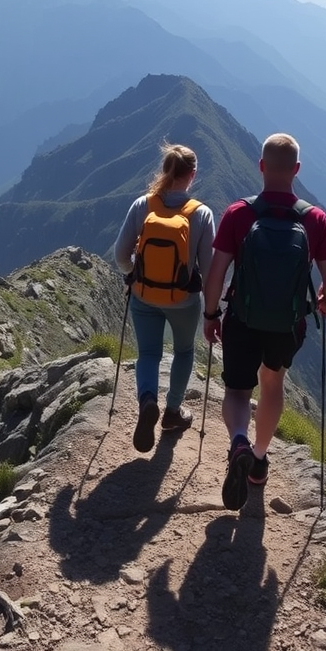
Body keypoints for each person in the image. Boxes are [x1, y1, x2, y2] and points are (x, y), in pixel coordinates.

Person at [203, 132, 326, 511]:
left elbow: (216, 274)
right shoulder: (315, 219)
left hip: (242, 321)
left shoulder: (238, 213)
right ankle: (259, 461)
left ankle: (238, 442)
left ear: (261, 166)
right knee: (272, 383)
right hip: (287, 325)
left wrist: (211, 314)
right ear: (296, 170)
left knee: (236, 391)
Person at [114, 143, 215, 453]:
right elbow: (210, 270)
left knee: (148, 354)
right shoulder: (200, 214)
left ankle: (147, 400)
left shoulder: (142, 205)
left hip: (144, 295)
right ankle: (172, 412)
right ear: (193, 175)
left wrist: (134, 272)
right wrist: (212, 311)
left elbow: (120, 255)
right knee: (184, 351)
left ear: (165, 170)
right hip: (183, 301)